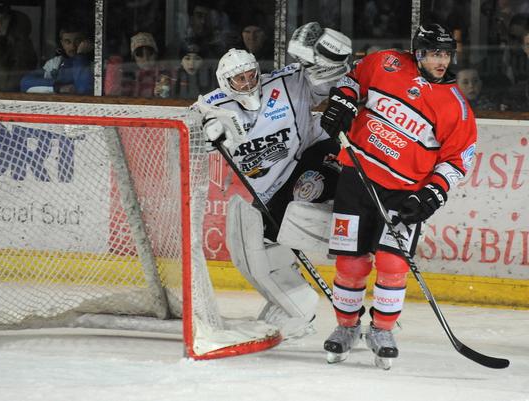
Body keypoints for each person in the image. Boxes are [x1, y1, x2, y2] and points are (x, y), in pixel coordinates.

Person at [318, 23, 477, 368]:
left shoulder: (456, 107)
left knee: (392, 264)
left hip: (404, 195)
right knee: (351, 262)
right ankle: (346, 328)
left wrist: (433, 193)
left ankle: (382, 329)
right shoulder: (385, 62)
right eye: (434, 53)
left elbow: (458, 159)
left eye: (446, 54)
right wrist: (343, 101)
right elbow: (352, 78)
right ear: (418, 52)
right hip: (357, 178)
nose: (441, 60)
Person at [195, 22, 352, 339]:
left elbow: (331, 81)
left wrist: (327, 58)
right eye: (240, 79)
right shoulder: (212, 106)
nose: (249, 82)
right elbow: (190, 128)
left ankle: (348, 245)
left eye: (251, 74)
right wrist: (205, 132)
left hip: (312, 156)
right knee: (259, 247)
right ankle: (296, 301)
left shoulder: (285, 82)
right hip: (270, 190)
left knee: (306, 200)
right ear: (226, 82)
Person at [20, 20, 93, 95]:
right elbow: (25, 83)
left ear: (85, 42)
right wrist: (59, 88)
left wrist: (80, 56)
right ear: (62, 43)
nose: (73, 46)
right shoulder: (55, 63)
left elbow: (84, 90)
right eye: (67, 42)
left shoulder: (96, 64)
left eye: (77, 41)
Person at [104, 32, 171, 98]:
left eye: (150, 53)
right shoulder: (127, 77)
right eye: (139, 54)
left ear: (156, 55)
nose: (146, 58)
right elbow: (112, 95)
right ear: (134, 58)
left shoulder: (164, 74)